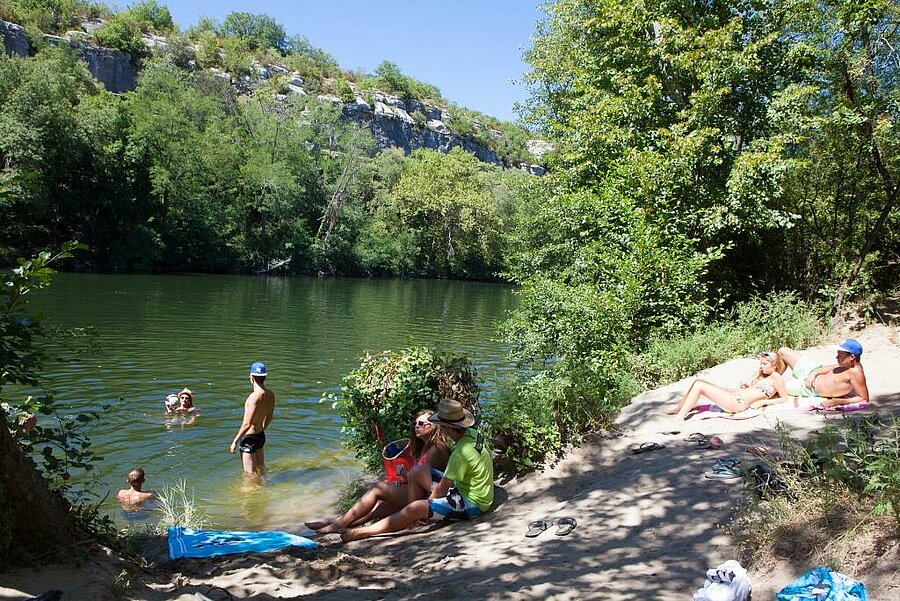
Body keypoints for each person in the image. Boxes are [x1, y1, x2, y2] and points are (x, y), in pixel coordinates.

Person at [339, 398, 494, 543]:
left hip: (472, 503)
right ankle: (409, 518)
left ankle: (366, 532)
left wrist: (425, 507)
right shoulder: (472, 434)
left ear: (447, 427)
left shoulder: (460, 453)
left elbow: (442, 488)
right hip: (472, 490)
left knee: (416, 508)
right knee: (417, 470)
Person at [305, 409, 451, 534]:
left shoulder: (437, 448)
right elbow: (422, 477)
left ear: (435, 426)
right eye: (415, 424)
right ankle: (343, 522)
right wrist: (404, 479)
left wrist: (404, 475)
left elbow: (429, 479)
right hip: (419, 493)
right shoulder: (425, 446)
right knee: (379, 508)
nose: (416, 427)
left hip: (427, 497)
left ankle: (339, 524)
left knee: (377, 488)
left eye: (421, 423)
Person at [666, 352, 788, 419]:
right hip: (735, 397)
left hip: (738, 403)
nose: (761, 366)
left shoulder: (776, 378)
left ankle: (680, 416)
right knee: (697, 384)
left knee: (699, 384)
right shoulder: (765, 377)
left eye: (764, 364)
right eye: (761, 363)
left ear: (775, 366)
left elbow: (784, 398)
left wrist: (763, 402)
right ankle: (678, 409)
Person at [777, 339, 869, 409]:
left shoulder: (856, 372)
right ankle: (773, 376)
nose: (836, 357)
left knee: (775, 386)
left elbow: (864, 398)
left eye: (840, 355)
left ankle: (771, 379)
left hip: (808, 388)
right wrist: (814, 373)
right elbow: (829, 368)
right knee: (783, 351)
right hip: (812, 371)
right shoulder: (846, 364)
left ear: (852, 357)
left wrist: (837, 401)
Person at [229, 361, 276, 480]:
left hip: (249, 439)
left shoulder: (253, 397)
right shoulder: (271, 395)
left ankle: (253, 495)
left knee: (250, 475)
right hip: (260, 436)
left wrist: (235, 441)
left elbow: (247, 424)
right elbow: (270, 417)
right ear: (264, 377)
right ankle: (266, 486)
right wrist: (261, 429)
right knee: (261, 468)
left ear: (251, 377)